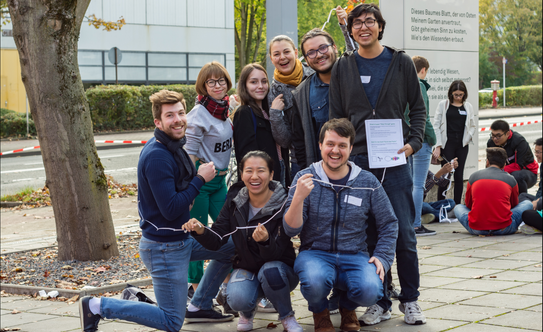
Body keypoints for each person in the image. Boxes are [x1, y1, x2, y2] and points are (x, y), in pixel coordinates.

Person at [79, 90, 235, 332]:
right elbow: (172, 209)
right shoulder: (157, 156)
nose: (178, 119)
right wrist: (200, 180)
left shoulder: (174, 147)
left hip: (182, 239)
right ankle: (97, 305)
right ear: (158, 122)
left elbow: (181, 198)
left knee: (232, 245)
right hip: (164, 248)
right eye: (170, 115)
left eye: (181, 113)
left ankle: (200, 303)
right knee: (171, 321)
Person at [329, 3, 428, 326]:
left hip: (395, 161)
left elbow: (418, 108)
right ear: (351, 29)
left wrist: (413, 143)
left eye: (369, 21)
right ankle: (381, 301)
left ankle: (410, 300)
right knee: (368, 234)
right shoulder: (344, 66)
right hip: (358, 163)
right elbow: (336, 116)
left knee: (403, 234)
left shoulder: (400, 62)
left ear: (380, 27)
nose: (363, 27)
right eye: (357, 23)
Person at [284, 118, 399, 332]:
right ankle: (320, 312)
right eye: (330, 144)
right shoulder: (304, 178)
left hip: (355, 255)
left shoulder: (367, 181)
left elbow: (389, 222)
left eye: (342, 145)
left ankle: (347, 307)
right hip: (315, 253)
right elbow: (291, 229)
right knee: (314, 281)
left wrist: (383, 256)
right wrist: (298, 198)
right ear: (320, 145)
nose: (335, 151)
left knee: (372, 289)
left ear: (350, 148)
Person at [182, 151, 302, 332]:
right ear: (241, 174)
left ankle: (287, 316)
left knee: (270, 272)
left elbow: (277, 252)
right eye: (249, 171)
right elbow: (217, 240)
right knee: (237, 298)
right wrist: (200, 230)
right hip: (247, 267)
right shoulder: (234, 201)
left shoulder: (283, 203)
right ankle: (247, 313)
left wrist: (265, 241)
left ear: (271, 174)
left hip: (279, 269)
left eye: (261, 171)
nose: (254, 176)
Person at [267, 7, 351, 180]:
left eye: (286, 52)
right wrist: (275, 113)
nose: (282, 57)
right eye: (276, 54)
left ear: (297, 54)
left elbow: (356, 57)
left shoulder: (323, 72)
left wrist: (345, 26)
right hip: (310, 159)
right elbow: (292, 139)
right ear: (271, 58)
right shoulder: (280, 92)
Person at [185, 61, 234, 311]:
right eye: (211, 82)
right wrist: (190, 189)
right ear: (203, 86)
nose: (217, 85)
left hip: (220, 182)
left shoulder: (223, 109)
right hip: (201, 183)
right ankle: (195, 293)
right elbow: (189, 154)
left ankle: (226, 287)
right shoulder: (198, 115)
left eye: (221, 80)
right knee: (198, 235)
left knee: (230, 233)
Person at [291, 23, 355, 170]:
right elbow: (299, 142)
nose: (319, 54)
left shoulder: (357, 78)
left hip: (360, 170)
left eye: (323, 48)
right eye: (311, 52)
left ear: (334, 47)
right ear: (306, 60)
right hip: (323, 173)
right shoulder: (301, 94)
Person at [454, 147, 533, 235]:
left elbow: (469, 205)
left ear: (487, 162)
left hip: (476, 229)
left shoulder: (473, 177)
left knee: (458, 207)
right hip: (504, 228)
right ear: (504, 165)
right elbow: (513, 205)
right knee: (528, 203)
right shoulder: (511, 180)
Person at [233, 63, 289, 186]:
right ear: (244, 86)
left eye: (264, 81)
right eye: (254, 82)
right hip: (261, 179)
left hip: (279, 171)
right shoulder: (244, 112)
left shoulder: (269, 111)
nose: (260, 86)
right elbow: (247, 157)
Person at [405, 56, 438, 236]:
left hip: (406, 140)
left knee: (409, 184)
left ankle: (409, 223)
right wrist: (432, 139)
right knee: (418, 185)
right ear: (423, 69)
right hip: (421, 140)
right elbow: (423, 117)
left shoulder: (403, 84)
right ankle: (416, 224)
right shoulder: (420, 86)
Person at [433, 80, 476, 205]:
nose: (458, 97)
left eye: (460, 95)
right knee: (445, 175)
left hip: (462, 145)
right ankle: (439, 205)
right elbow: (436, 125)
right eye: (455, 95)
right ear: (451, 93)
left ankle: (457, 206)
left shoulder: (468, 106)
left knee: (459, 176)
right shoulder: (443, 104)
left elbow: (472, 125)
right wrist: (438, 146)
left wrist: (468, 138)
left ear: (464, 94)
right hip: (448, 144)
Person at [487, 121, 539, 194]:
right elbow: (490, 164)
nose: (495, 139)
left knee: (516, 176)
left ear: (507, 134)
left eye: (498, 136)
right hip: (504, 171)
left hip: (527, 173)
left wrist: (499, 171)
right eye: (493, 135)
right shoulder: (491, 143)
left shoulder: (519, 141)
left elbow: (519, 166)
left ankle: (522, 200)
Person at [420, 159, 458, 223]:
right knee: (424, 206)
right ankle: (443, 215)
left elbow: (442, 183)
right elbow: (422, 190)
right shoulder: (410, 170)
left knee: (451, 202)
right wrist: (439, 173)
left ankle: (428, 216)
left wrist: (449, 172)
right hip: (413, 206)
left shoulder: (424, 170)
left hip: (425, 205)